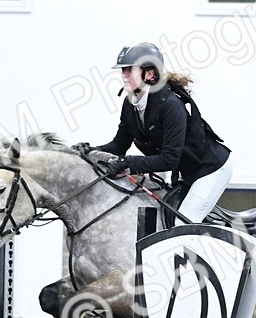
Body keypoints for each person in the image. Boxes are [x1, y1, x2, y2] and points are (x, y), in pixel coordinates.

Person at [75, 42, 233, 224]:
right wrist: (89, 152)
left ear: (149, 74)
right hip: (186, 170)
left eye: (129, 70)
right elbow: (119, 145)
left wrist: (128, 162)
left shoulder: (171, 105)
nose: (124, 75)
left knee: (183, 224)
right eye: (122, 70)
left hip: (211, 169)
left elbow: (169, 159)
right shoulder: (130, 103)